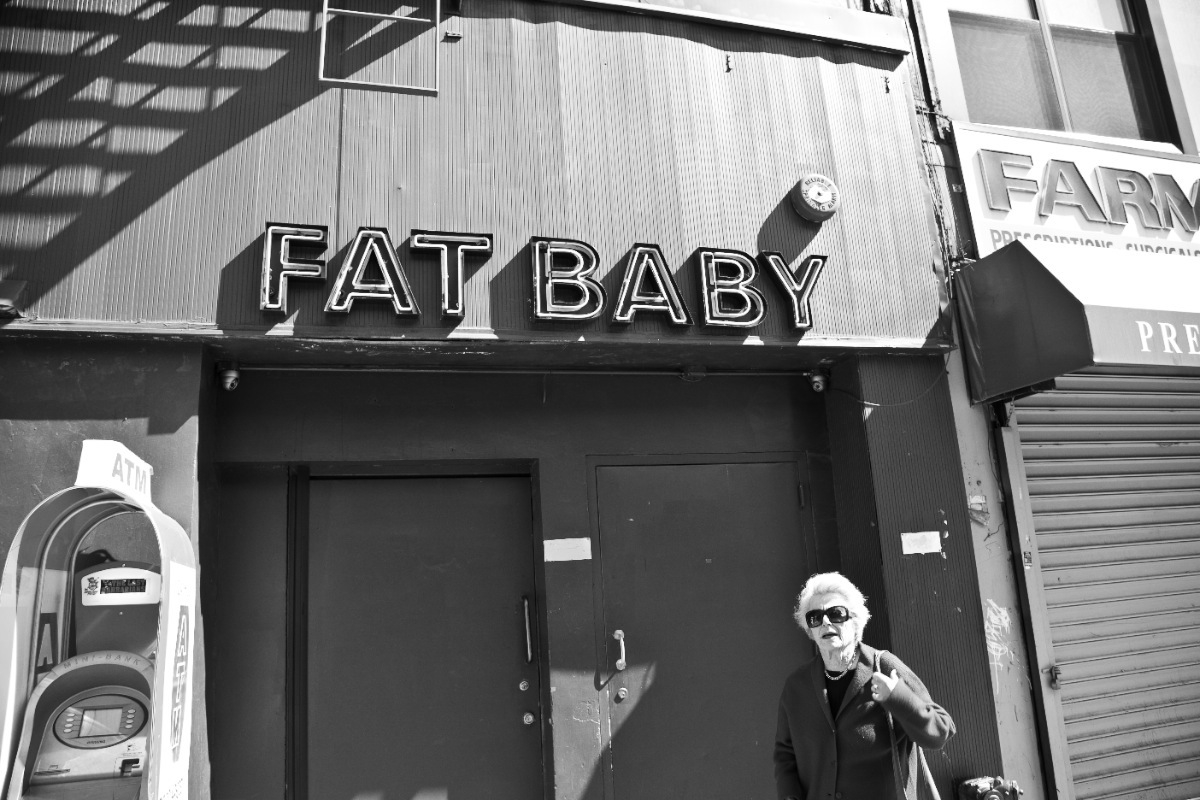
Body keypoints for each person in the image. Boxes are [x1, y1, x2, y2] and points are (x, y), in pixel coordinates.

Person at [774, 572, 955, 800]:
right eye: (815, 617)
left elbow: (940, 732)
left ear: (856, 620)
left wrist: (897, 698)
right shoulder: (797, 686)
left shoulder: (884, 666)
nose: (826, 622)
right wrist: (789, 795)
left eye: (836, 613)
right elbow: (785, 752)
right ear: (809, 629)